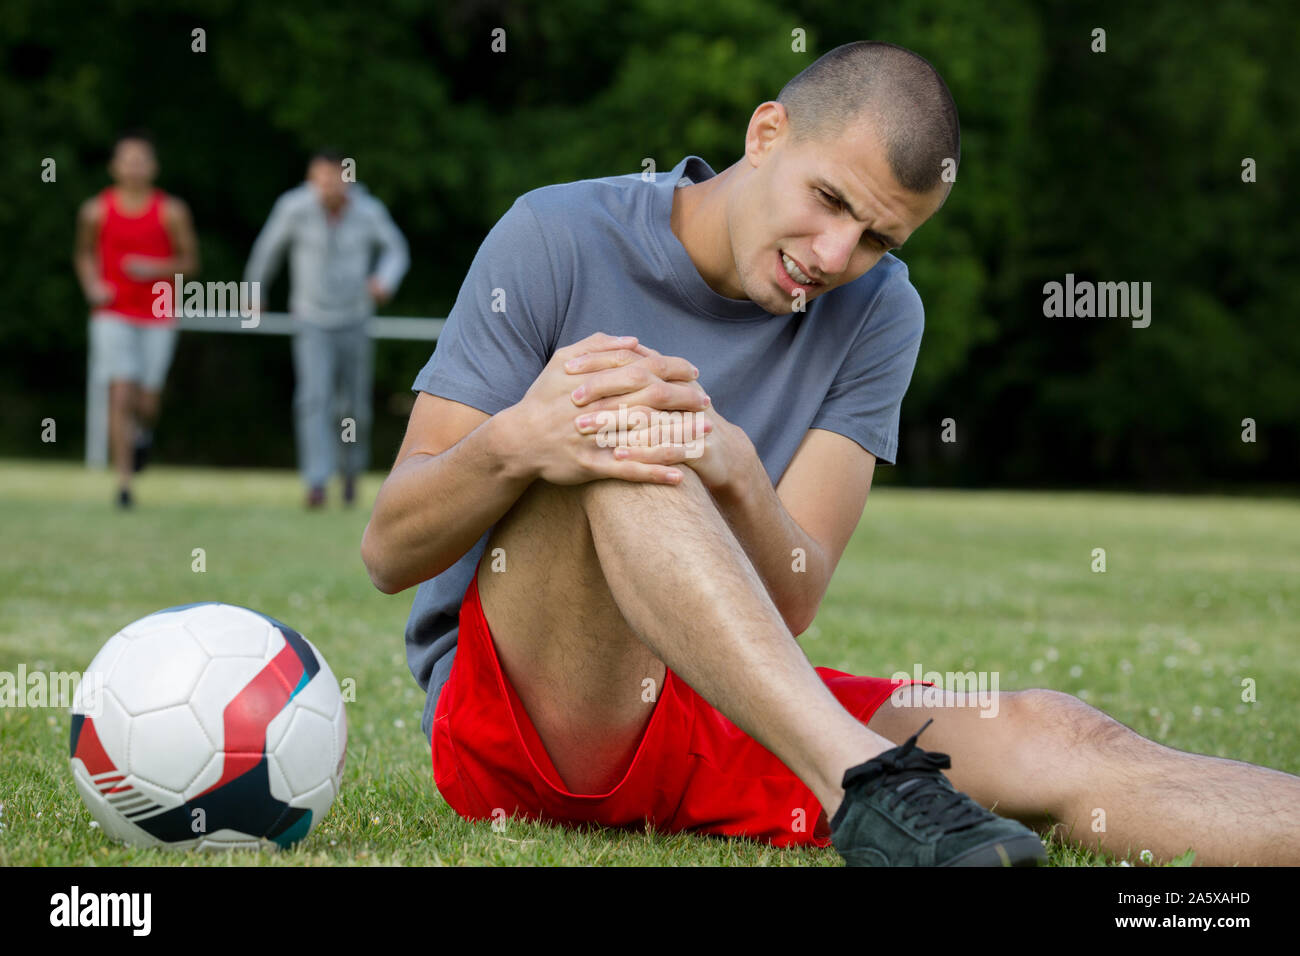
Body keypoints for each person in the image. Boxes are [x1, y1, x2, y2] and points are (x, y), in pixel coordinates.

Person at [362, 42, 1300, 866]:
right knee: (629, 419)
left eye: (878, 237)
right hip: (526, 729)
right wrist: (523, 441)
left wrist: (732, 464)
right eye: (829, 200)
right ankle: (865, 784)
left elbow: (796, 593)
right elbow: (389, 551)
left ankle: (868, 778)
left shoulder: (880, 308)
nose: (834, 255)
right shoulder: (555, 234)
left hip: (732, 701)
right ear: (766, 131)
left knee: (1057, 731)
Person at [244, 149, 409, 509]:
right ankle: (316, 481)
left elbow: (397, 250)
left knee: (354, 406)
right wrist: (254, 292)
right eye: (319, 179)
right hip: (311, 317)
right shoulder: (294, 208)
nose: (326, 186)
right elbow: (267, 249)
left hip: (355, 317)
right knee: (313, 398)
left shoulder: (369, 211)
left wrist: (383, 280)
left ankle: (350, 471)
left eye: (334, 178)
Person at [74, 129, 199, 508]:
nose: (134, 167)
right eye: (127, 159)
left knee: (146, 401)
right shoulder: (95, 210)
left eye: (141, 159)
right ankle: (124, 483)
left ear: (153, 167)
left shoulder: (172, 211)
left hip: (158, 313)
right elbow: (83, 254)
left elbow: (190, 263)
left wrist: (154, 267)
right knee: (119, 390)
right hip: (112, 313)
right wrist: (92, 285)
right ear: (114, 166)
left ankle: (143, 436)